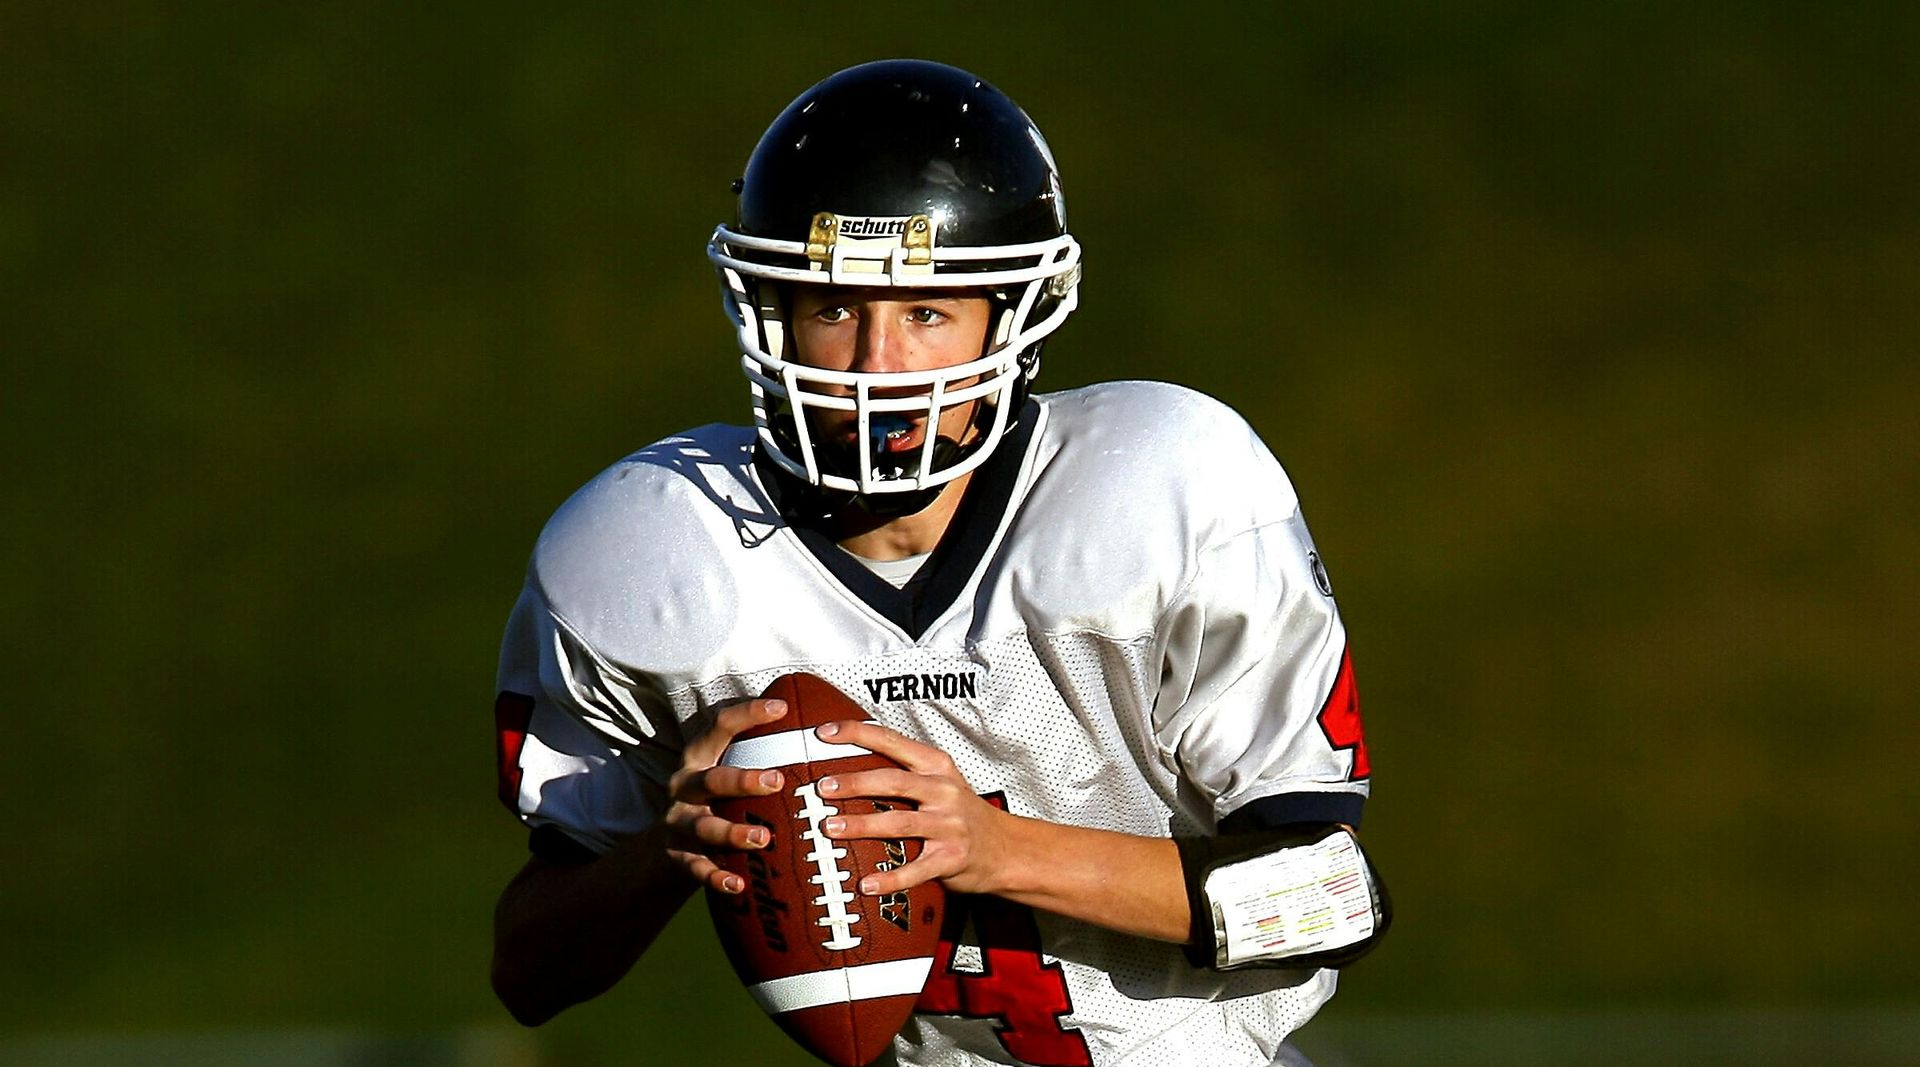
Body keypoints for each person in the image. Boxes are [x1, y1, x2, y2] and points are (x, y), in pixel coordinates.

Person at [489, 59, 1387, 1067]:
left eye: (926, 312)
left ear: (1011, 314)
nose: (879, 364)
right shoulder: (648, 551)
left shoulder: (1169, 491)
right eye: (833, 310)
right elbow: (528, 970)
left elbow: (1329, 896)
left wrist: (995, 848)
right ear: (770, 310)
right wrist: (668, 849)